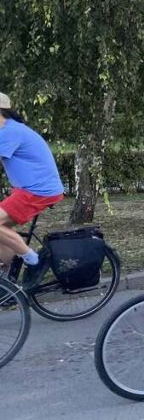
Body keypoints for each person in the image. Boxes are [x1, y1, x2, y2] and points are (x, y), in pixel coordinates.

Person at [0, 93, 65, 287]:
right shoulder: (11, 129)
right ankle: (7, 283)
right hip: (31, 190)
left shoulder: (10, 132)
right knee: (3, 230)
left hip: (37, 190)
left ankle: (32, 260)